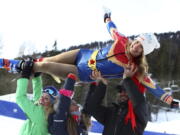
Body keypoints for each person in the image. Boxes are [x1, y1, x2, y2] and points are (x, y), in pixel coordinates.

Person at [19, 11, 178, 107]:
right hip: (83, 54)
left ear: (143, 53)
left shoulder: (135, 68)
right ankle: (32, 66)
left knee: (47, 66)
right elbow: (112, 29)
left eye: (141, 48)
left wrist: (172, 102)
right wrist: (107, 19)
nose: (136, 46)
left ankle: (26, 68)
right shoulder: (122, 40)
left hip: (82, 72)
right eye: (137, 42)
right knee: (49, 59)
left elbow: (154, 88)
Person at [85, 68, 149, 135]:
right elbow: (92, 107)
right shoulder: (113, 111)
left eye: (126, 91)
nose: (122, 93)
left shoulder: (140, 113)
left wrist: (127, 80)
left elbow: (139, 101)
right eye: (120, 90)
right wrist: (102, 85)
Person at [15, 58, 59, 135]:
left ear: (51, 103)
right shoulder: (49, 113)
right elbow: (37, 96)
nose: (41, 99)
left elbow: (20, 98)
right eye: (43, 96)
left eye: (46, 98)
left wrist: (25, 75)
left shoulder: (40, 115)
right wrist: (36, 76)